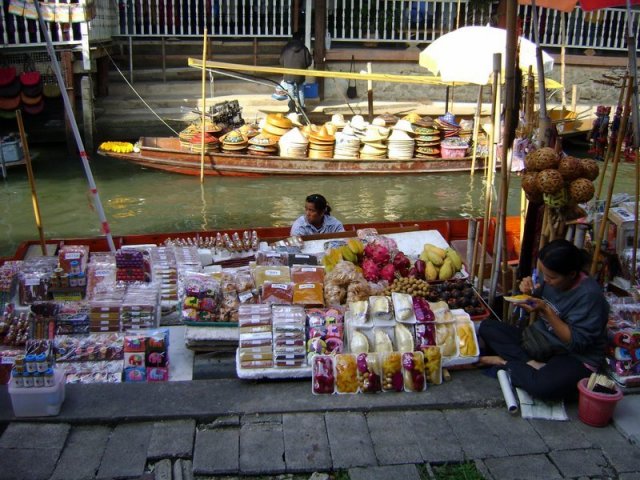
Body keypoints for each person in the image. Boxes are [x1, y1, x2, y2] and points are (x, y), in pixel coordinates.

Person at [478, 239, 609, 401]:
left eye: (551, 277)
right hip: (542, 342)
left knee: (543, 388)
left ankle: (505, 363)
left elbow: (576, 342)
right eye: (543, 274)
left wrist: (545, 310)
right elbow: (535, 300)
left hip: (573, 356)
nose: (546, 280)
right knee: (487, 327)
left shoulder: (590, 296)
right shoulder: (549, 277)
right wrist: (527, 293)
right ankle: (530, 364)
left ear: (572, 275)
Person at [279, 31, 312, 114]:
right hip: (300, 74)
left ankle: (292, 109)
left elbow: (281, 60)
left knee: (290, 91)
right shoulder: (304, 48)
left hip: (289, 74)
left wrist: (286, 67)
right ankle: (302, 108)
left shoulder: (286, 48)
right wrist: (304, 67)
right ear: (301, 38)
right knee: (300, 90)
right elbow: (308, 61)